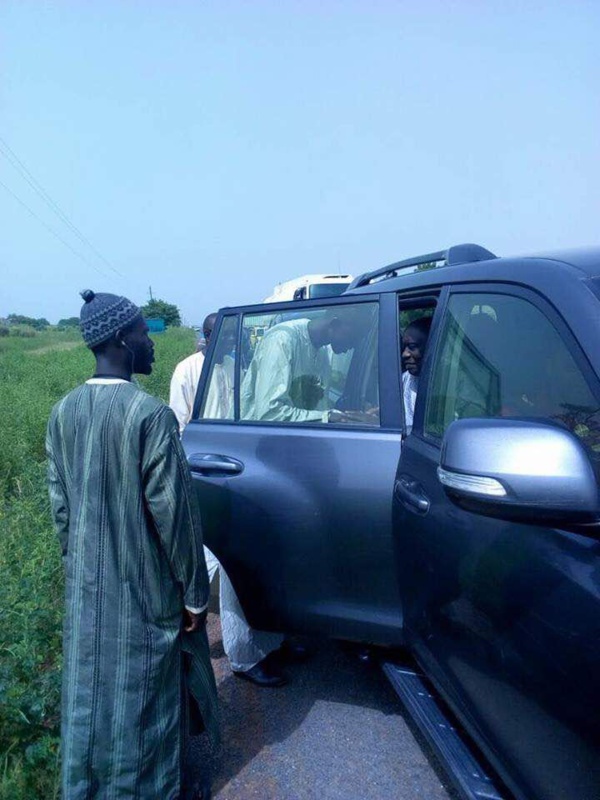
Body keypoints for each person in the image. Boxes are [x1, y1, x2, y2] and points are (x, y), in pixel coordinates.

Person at [46, 290, 219, 800]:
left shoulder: (63, 413)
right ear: (122, 339)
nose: (151, 345)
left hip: (87, 590)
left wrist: (81, 568)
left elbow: (62, 512)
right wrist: (193, 594)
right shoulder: (150, 417)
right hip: (144, 592)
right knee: (146, 698)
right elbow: (176, 518)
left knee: (91, 699)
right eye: (145, 334)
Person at [170, 313, 290, 687]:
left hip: (239, 474)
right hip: (205, 478)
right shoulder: (188, 371)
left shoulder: (241, 368)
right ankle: (244, 656)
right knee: (228, 566)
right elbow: (179, 430)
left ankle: (272, 640)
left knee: (256, 561)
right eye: (217, 337)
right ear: (207, 338)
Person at [241, 307, 372, 422]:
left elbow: (316, 408)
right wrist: (326, 418)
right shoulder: (281, 341)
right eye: (353, 337)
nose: (354, 345)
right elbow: (269, 414)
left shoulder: (324, 352)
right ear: (334, 324)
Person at [401, 316, 432, 433]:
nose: (405, 354)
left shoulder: (450, 382)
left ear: (431, 345)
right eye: (404, 348)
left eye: (412, 347)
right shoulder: (405, 380)